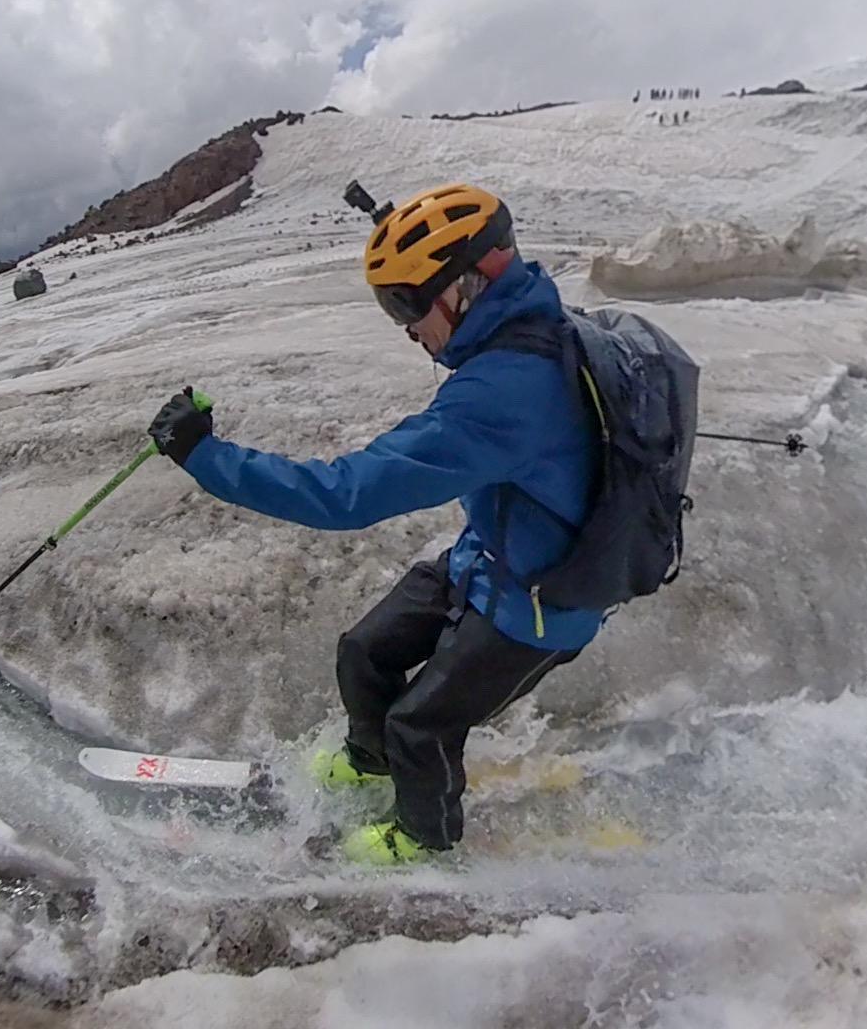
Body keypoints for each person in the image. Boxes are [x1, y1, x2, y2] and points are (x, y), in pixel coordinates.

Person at [147, 184, 603, 866]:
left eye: (408, 304)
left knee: (421, 725)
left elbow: (347, 494)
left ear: (468, 287)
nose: (405, 327)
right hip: (493, 559)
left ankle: (423, 842)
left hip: (541, 605)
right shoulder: (524, 333)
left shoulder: (502, 395)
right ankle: (371, 762)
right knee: (365, 651)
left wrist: (207, 457)